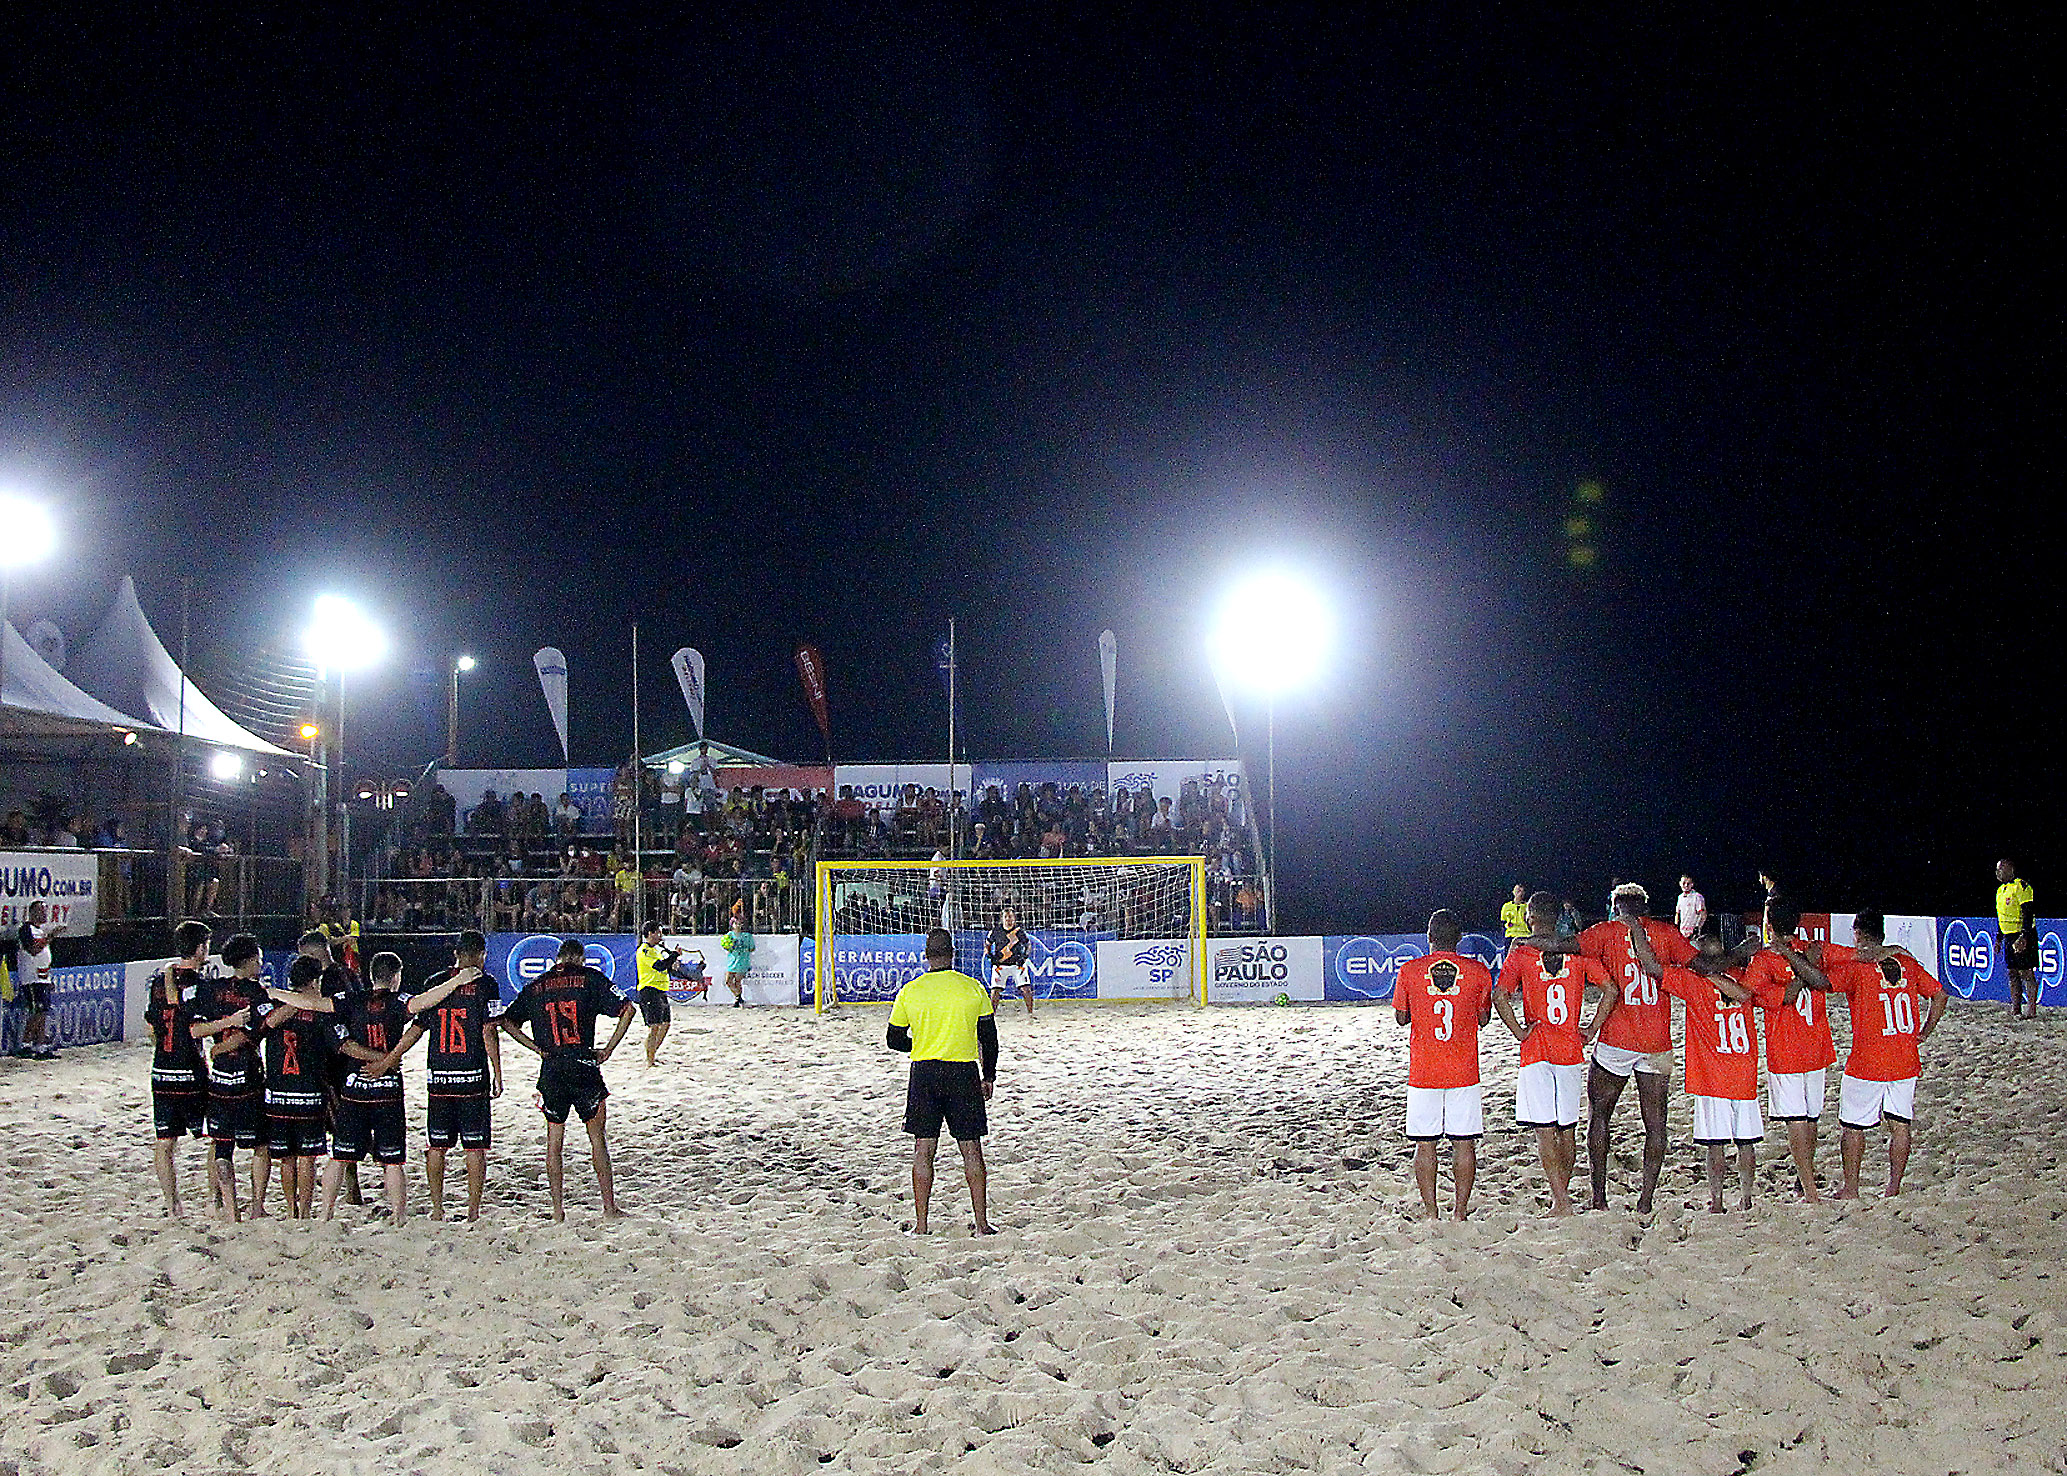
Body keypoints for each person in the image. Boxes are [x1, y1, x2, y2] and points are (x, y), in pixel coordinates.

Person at [1552, 882, 1697, 1213]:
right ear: (1645, 907)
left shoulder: (1604, 932)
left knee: (1600, 1116)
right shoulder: (1666, 932)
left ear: (1616, 906)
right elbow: (1698, 963)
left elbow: (1565, 947)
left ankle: (1599, 1197)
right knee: (1656, 1124)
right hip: (1657, 1039)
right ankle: (1645, 1201)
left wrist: (1529, 941)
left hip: (1617, 1038)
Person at [1630, 920, 1767, 1213]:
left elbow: (1652, 967)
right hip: (1744, 1072)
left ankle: (1717, 1203)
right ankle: (1746, 1199)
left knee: (1715, 1144)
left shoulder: (1693, 982)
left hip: (1711, 1076)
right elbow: (1749, 987)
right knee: (1746, 1143)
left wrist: (1637, 932)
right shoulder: (1743, 976)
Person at [1494, 892, 1614, 1217]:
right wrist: (1591, 1028)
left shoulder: (1521, 951)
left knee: (1544, 1129)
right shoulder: (1576, 952)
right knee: (1568, 1128)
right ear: (1557, 916)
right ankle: (1562, 1196)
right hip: (1570, 1049)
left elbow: (1499, 995)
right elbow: (1611, 990)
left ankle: (1560, 1200)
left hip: (1537, 1050)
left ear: (1530, 917)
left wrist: (1519, 1031)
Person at [499, 938, 635, 1221]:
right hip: (584, 1064)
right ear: (581, 959)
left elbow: (507, 1021)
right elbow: (628, 1010)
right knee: (597, 1138)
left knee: (554, 1142)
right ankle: (609, 1207)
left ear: (557, 959)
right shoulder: (590, 979)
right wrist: (608, 1049)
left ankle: (558, 1210)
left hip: (552, 1067)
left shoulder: (537, 985)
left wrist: (535, 1047)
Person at [369, 931, 501, 1221]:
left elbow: (416, 1030)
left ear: (455, 953)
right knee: (475, 1146)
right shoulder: (486, 984)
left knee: (437, 1145)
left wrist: (390, 1059)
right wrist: (498, 1071)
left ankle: (438, 1209)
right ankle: (473, 1212)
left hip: (439, 1074)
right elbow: (488, 1030)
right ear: (481, 954)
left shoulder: (434, 983)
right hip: (471, 1074)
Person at [1822, 909, 1947, 1198]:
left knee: (1853, 1127)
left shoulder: (1857, 967)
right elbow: (1939, 994)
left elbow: (1823, 977)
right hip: (1905, 1058)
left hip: (1868, 1061)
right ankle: (1893, 1188)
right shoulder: (1907, 963)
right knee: (1900, 1125)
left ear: (1858, 934)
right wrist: (1924, 1031)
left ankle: (1851, 1189)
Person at [886, 927, 999, 1235]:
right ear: (953, 953)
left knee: (923, 1150)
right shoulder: (972, 988)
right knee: (971, 1150)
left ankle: (921, 1226)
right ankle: (982, 1224)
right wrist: (988, 1076)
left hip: (924, 1072)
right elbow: (989, 1039)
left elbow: (894, 1039)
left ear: (926, 956)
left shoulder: (912, 990)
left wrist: (921, 1044)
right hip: (962, 1072)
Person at [1392, 910, 1494, 1221]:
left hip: (1424, 1071)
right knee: (1464, 1143)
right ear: (1459, 939)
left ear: (1429, 937)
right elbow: (1484, 1018)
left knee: (1426, 1144)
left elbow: (1400, 1018)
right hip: (1464, 1070)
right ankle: (1460, 1212)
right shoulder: (1478, 972)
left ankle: (1431, 1212)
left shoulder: (1410, 971)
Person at [1741, 903, 1836, 1201]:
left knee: (1797, 1119)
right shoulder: (1813, 950)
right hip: (1817, 1046)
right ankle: (1803, 1181)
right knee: (1811, 1119)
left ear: (1769, 925)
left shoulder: (1765, 960)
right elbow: (1848, 960)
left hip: (1787, 1051)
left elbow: (1751, 994)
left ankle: (1809, 1190)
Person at [320, 952, 412, 1221]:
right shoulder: (399, 1003)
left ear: (371, 976)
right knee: (393, 1161)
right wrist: (388, 1060)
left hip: (355, 1087)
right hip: (388, 1089)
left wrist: (277, 992)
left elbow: (316, 1003)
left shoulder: (353, 1000)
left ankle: (325, 1213)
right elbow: (425, 1003)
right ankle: (398, 1215)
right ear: (395, 977)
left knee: (339, 1156)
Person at [192, 933, 272, 1222]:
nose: (261, 964)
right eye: (259, 959)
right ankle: (256, 1206)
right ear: (249, 961)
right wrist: (229, 1042)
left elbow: (196, 1030)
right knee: (260, 1145)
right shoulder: (257, 994)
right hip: (248, 1076)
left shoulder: (212, 990)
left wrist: (218, 1046)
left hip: (220, 1078)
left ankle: (222, 1203)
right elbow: (260, 1030)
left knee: (220, 1143)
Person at [256, 956, 335, 1219]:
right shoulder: (319, 1012)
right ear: (313, 981)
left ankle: (291, 1208)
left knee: (286, 1158)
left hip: (278, 1091)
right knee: (306, 1157)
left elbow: (260, 1028)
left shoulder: (275, 1007)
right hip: (309, 1092)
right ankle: (305, 1212)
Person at [147, 920, 214, 1217]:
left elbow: (152, 1028)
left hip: (162, 1068)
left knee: (165, 1143)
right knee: (216, 1137)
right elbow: (196, 1029)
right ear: (200, 948)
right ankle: (217, 1200)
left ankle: (173, 1205)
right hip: (190, 1070)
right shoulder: (199, 985)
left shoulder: (159, 980)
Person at [10, 899, 63, 1059]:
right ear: (32, 912)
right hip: (31, 978)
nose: (44, 914)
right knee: (38, 1011)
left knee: (42, 1012)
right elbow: (33, 950)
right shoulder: (26, 929)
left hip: (42, 978)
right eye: (41, 911)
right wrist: (51, 937)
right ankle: (29, 1044)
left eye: (46, 911)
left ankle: (39, 1045)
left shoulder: (41, 931)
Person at [1996, 859, 2039, 1019]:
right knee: (2012, 972)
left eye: (2000, 869)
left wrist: (2024, 936)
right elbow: (2001, 917)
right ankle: (2016, 1009)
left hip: (2021, 935)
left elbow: (2028, 912)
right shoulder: (2001, 890)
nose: (1998, 873)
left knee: (2026, 972)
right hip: (2008, 936)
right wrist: (1999, 939)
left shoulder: (2021, 887)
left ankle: (2031, 1011)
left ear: (2010, 869)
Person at [635, 920, 681, 1065]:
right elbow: (659, 966)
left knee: (665, 1024)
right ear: (650, 933)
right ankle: (650, 1060)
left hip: (660, 990)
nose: (660, 935)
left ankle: (652, 1053)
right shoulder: (644, 950)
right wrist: (674, 956)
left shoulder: (655, 950)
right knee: (654, 1026)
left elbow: (665, 967)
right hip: (649, 990)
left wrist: (672, 964)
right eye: (658, 932)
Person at [985, 906, 1035, 1016]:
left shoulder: (1019, 931)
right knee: (995, 991)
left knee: (1026, 989)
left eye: (1011, 917)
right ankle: (991, 1014)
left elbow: (1028, 945)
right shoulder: (995, 931)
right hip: (1000, 965)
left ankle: (1030, 1013)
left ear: (1014, 919)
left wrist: (1024, 957)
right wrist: (990, 956)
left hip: (1017, 965)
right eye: (1006, 917)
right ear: (1002, 919)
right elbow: (987, 944)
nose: (1008, 919)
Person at [719, 904, 753, 1007]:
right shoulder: (728, 936)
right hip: (732, 961)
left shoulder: (747, 936)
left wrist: (744, 948)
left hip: (742, 961)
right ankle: (738, 997)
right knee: (728, 981)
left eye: (739, 923)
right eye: (735, 923)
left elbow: (752, 948)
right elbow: (725, 946)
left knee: (738, 980)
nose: (738, 925)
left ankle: (737, 1000)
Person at [1675, 874, 1707, 941]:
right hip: (1682, 933)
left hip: (1693, 933)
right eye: (1684, 883)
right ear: (1680, 884)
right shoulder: (1680, 897)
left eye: (1688, 883)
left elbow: (1703, 915)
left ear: (1692, 884)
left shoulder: (1697, 897)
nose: (1686, 885)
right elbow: (1677, 913)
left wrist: (1697, 928)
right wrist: (1676, 927)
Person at [1499, 884, 1530, 954]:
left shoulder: (1528, 906)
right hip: (1510, 936)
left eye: (1521, 891)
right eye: (1517, 891)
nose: (1519, 893)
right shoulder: (1506, 906)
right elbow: (1503, 922)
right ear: (1513, 892)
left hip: (1524, 936)